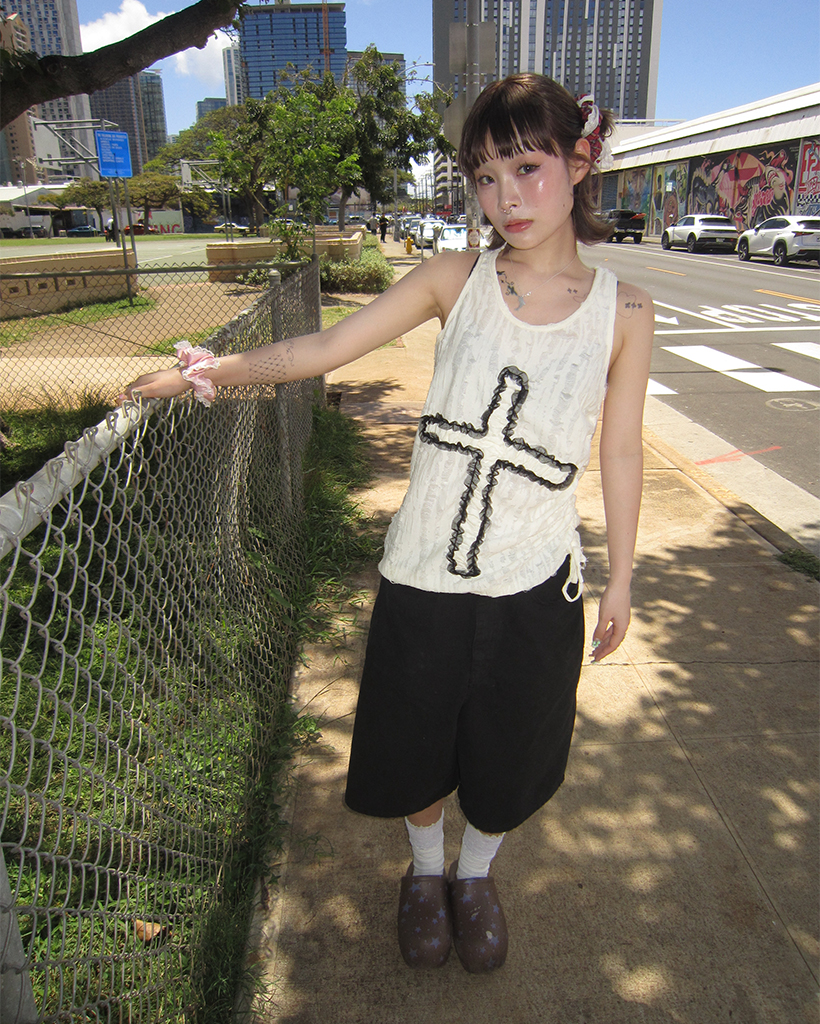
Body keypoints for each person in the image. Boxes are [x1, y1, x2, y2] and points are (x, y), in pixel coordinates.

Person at [120, 73, 653, 976]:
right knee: (414, 740)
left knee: (510, 746)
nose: (507, 197)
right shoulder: (457, 279)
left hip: (537, 580)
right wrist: (203, 372)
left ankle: (476, 876)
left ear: (580, 160)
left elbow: (623, 449)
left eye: (527, 167)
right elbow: (325, 346)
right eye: (485, 177)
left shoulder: (626, 310)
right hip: (425, 573)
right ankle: (426, 869)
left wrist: (624, 577)